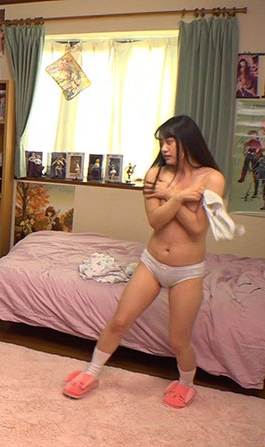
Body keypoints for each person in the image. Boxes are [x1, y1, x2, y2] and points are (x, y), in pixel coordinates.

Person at [62, 115, 225, 409]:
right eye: (161, 143)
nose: (164, 149)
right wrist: (180, 198)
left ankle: (186, 383)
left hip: (187, 271)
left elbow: (197, 227)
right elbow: (155, 220)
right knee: (119, 321)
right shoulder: (155, 174)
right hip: (152, 263)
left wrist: (171, 195)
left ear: (188, 141)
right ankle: (91, 372)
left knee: (178, 340)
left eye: (170, 142)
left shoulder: (212, 178)